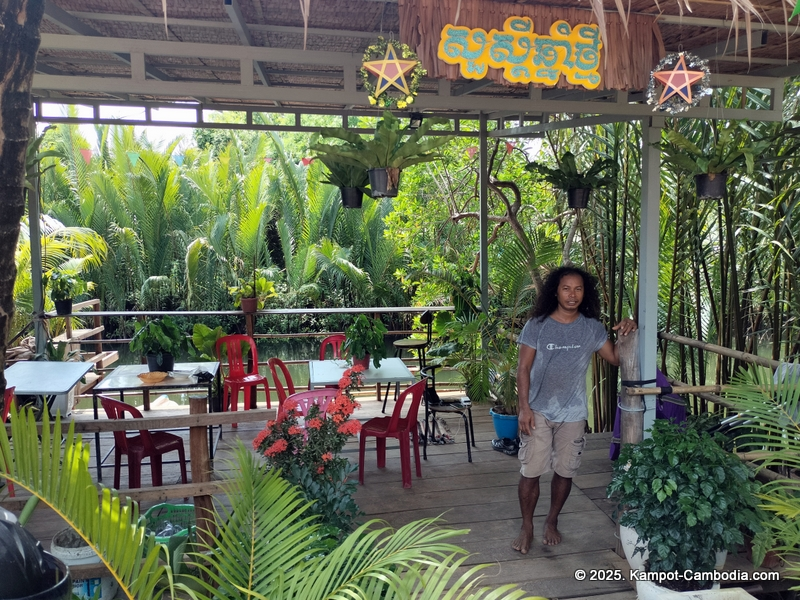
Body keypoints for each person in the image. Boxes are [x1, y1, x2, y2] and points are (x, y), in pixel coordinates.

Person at [511, 266, 636, 553]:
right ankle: (527, 524)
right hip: (539, 410)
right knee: (531, 471)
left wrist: (628, 329)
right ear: (555, 291)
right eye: (566, 288)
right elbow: (523, 368)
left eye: (578, 289)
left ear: (584, 293)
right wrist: (524, 408)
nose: (572, 294)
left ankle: (551, 521)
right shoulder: (538, 325)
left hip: (574, 412)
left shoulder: (591, 327)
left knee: (565, 472)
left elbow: (615, 358)